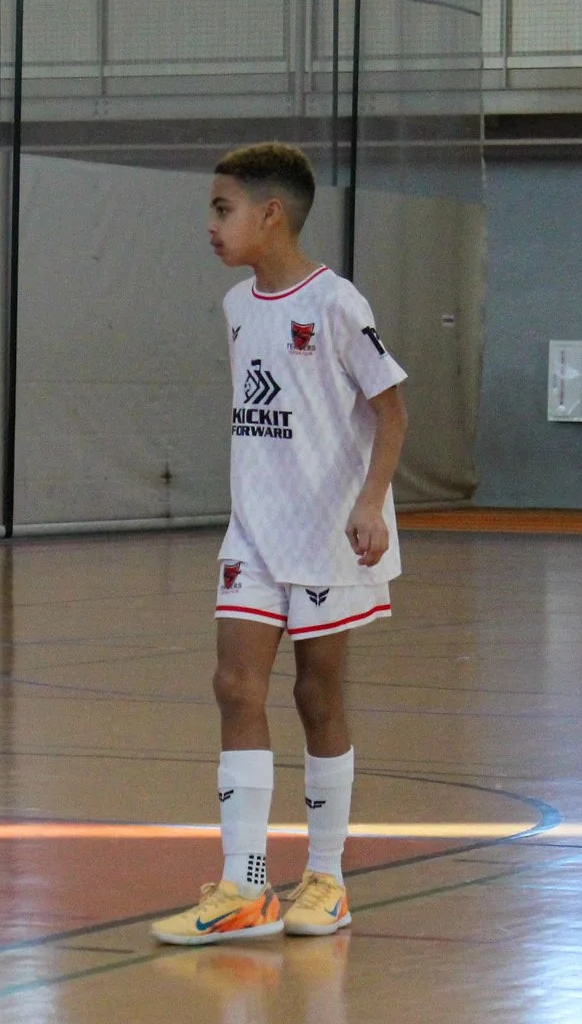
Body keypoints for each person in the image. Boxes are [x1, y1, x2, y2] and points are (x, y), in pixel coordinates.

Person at [151, 143, 409, 946]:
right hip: (254, 530)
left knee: (316, 696)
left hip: (330, 532)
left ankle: (326, 876)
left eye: (222, 209)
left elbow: (392, 407)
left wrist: (370, 501)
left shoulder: (336, 302)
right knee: (234, 685)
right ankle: (246, 884)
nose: (210, 225)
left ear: (271, 214)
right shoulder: (236, 306)